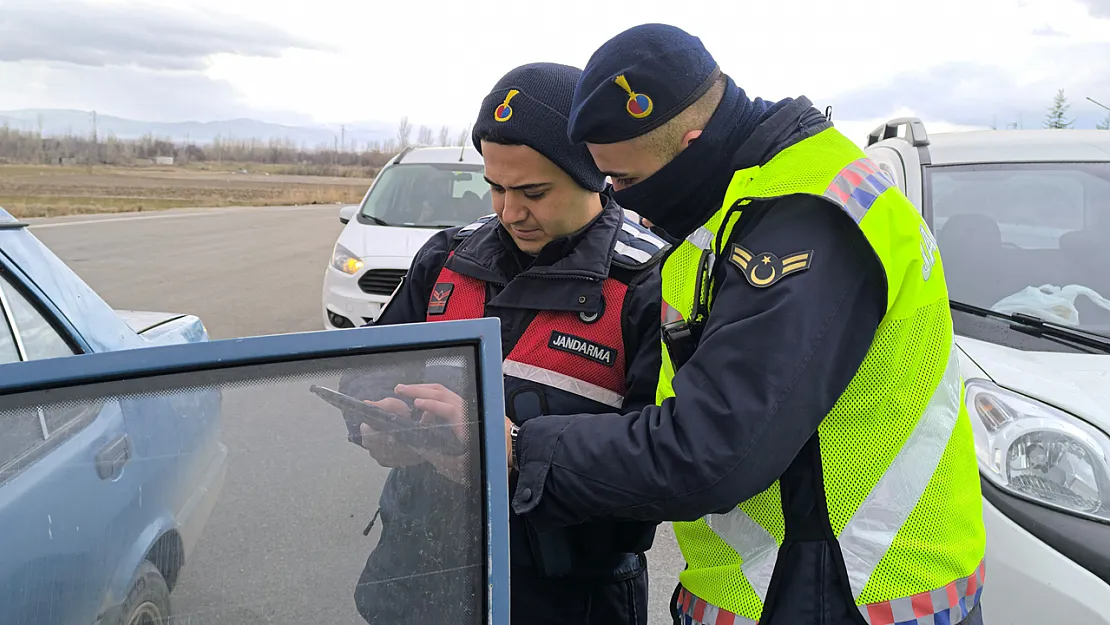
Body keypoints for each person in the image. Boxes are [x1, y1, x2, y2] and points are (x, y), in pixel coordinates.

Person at [403, 23, 988, 625]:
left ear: (690, 143)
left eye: (624, 182)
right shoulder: (739, 207)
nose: (622, 204)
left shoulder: (801, 221)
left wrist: (519, 447)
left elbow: (712, 449)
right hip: (774, 582)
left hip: (848, 589)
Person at [340, 61, 669, 625]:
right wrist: (375, 424)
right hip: (420, 576)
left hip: (565, 597)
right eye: (495, 186)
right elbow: (368, 369)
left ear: (593, 174)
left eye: (534, 192)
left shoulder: (648, 283)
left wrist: (511, 455)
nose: (509, 211)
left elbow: (662, 470)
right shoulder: (446, 260)